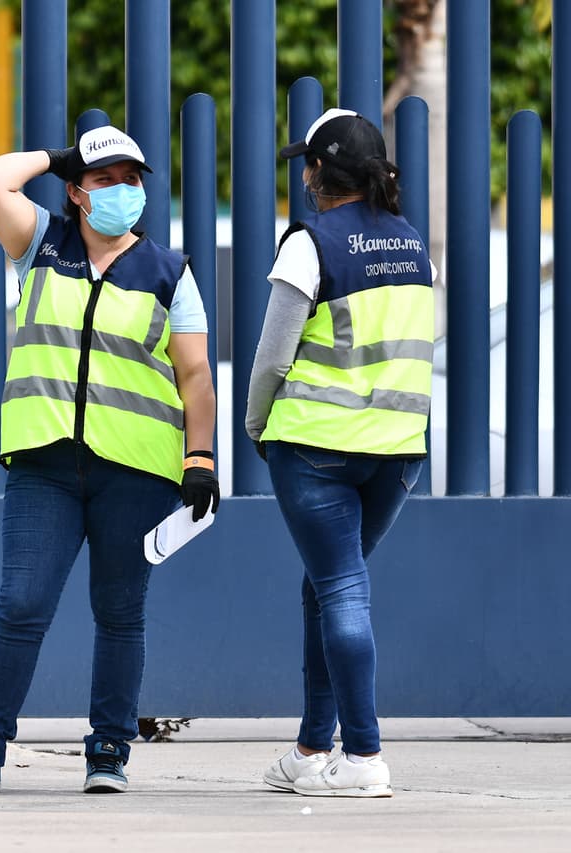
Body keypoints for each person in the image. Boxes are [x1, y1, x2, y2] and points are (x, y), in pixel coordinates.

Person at [0, 122, 219, 796]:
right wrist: (55, 155)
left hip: (136, 467)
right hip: (45, 463)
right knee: (22, 603)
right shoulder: (41, 243)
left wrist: (201, 457)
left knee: (120, 610)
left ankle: (109, 750)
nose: (123, 189)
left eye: (132, 179)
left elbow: (195, 375)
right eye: (105, 178)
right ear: (76, 191)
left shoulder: (168, 270)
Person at [247, 108, 435, 798]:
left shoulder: (309, 242)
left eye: (307, 162)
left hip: (318, 446)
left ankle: (362, 755)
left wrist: (257, 423)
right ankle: (309, 749)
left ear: (321, 172)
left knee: (340, 589)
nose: (303, 173)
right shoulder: (416, 246)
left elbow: (272, 354)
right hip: (397, 452)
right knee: (325, 586)